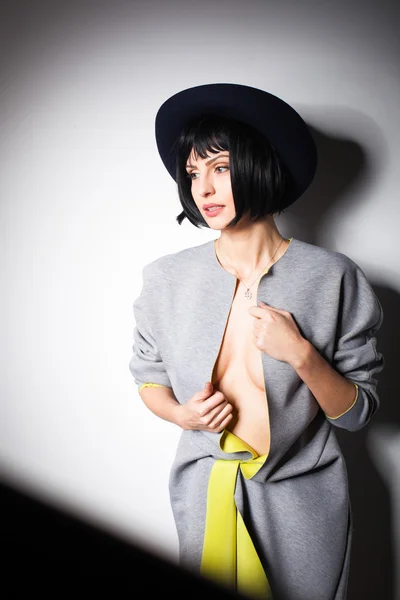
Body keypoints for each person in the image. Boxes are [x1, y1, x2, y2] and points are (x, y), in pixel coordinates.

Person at [129, 83, 385, 600]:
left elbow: (358, 413)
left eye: (220, 167)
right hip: (206, 492)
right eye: (193, 172)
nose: (203, 187)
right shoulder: (166, 279)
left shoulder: (332, 276)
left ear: (261, 167)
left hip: (304, 497)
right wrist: (183, 415)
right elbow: (148, 376)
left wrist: (302, 354)